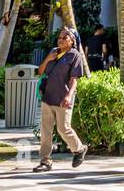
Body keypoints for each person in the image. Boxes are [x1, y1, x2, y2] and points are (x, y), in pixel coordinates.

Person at [34, 27, 89, 173]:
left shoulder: (74, 55)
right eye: (59, 37)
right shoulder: (53, 52)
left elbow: (74, 79)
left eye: (65, 37)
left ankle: (79, 149)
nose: (61, 40)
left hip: (63, 98)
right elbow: (40, 72)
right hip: (48, 97)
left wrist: (68, 96)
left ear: (72, 41)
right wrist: (48, 59)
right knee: (46, 131)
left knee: (63, 128)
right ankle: (45, 161)